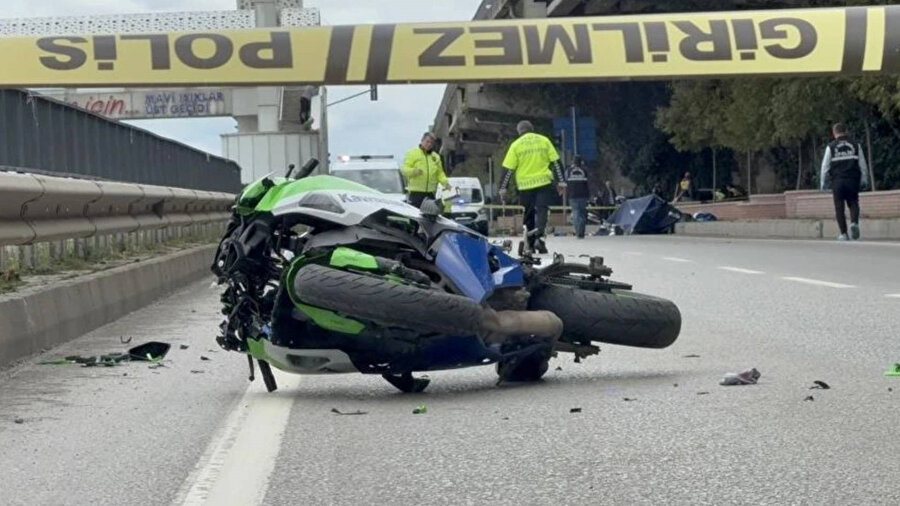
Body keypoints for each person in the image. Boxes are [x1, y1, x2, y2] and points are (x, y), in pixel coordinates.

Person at [498, 121, 566, 254]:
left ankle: (529, 242)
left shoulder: (516, 145)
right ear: (532, 129)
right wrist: (562, 182)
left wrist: (503, 188)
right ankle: (540, 239)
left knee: (528, 214)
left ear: (519, 131)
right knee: (542, 210)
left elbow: (508, 169)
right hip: (544, 182)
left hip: (525, 186)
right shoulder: (544, 141)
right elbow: (556, 162)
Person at [821, 122, 869, 241]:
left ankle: (844, 233)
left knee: (839, 207)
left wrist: (823, 183)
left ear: (834, 133)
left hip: (837, 181)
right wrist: (864, 179)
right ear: (845, 131)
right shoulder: (856, 145)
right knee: (853, 202)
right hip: (852, 180)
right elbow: (862, 164)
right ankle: (854, 223)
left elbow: (825, 167)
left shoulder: (831, 147)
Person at [402, 132, 451, 208]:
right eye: (427, 142)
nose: (429, 144)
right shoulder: (412, 153)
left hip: (430, 194)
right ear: (422, 140)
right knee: (415, 215)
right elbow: (404, 169)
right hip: (415, 193)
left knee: (429, 214)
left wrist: (446, 183)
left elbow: (439, 173)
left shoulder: (436, 157)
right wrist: (413, 171)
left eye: (431, 143)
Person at [566, 156, 591, 239]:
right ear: (581, 162)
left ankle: (578, 232)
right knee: (582, 213)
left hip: (572, 195)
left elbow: (566, 182)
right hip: (583, 195)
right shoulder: (585, 170)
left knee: (576, 213)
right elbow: (588, 182)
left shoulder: (568, 171)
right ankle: (581, 232)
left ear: (573, 162)